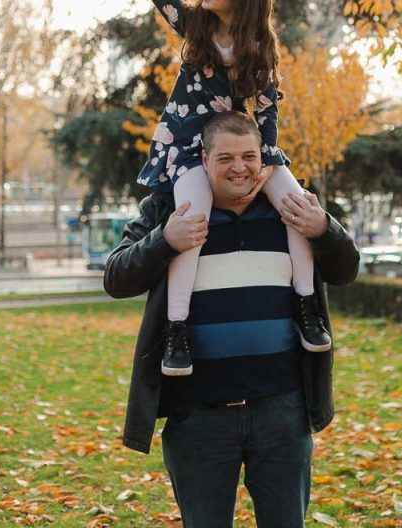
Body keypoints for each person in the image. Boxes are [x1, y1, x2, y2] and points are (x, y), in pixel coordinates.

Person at [104, 111, 359, 528]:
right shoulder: (170, 209)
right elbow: (116, 277)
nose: (239, 167)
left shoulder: (290, 210)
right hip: (198, 417)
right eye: (225, 158)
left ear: (264, 159)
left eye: (249, 156)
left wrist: (324, 229)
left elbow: (347, 269)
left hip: (281, 411)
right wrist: (165, 239)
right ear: (204, 161)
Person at [130, 0, 330, 375]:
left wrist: (268, 168)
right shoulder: (195, 26)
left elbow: (265, 119)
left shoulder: (260, 49)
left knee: (298, 205)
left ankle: (307, 308)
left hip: (235, 147)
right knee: (190, 221)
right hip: (186, 150)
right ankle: (177, 330)